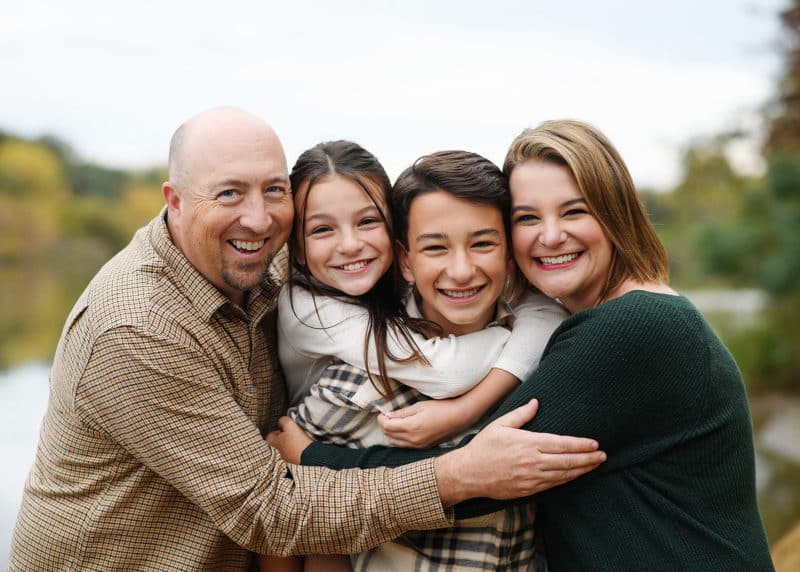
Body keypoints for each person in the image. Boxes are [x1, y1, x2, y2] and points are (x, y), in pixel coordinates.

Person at [7, 108, 607, 571]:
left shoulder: (275, 267)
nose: (259, 217)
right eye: (228, 193)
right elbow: (271, 511)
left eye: (273, 190)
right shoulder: (136, 331)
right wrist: (461, 475)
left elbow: (533, 304)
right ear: (175, 201)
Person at [274, 119, 775, 571]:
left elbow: (481, 476)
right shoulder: (594, 319)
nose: (550, 236)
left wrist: (315, 459)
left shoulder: (634, 326)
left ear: (615, 212)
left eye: (573, 211)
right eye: (529, 218)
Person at [268, 144, 568, 571]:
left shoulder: (397, 304)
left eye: (367, 221)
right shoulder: (318, 323)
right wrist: (505, 342)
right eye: (321, 230)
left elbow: (547, 312)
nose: (350, 245)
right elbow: (292, 500)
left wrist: (462, 410)